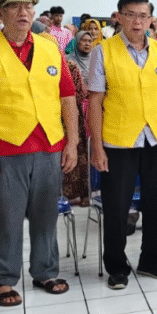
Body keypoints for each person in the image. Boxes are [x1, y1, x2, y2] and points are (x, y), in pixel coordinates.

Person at [0, 0, 77, 306]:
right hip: (6, 148)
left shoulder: (49, 48)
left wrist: (73, 142)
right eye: (14, 7)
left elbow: (67, 97)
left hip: (49, 146)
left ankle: (45, 271)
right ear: (0, 14)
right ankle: (2, 280)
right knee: (7, 218)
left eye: (28, 7)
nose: (23, 13)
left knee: (46, 216)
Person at [88, 0, 157, 289]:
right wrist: (97, 147)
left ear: (151, 19)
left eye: (143, 15)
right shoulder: (103, 51)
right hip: (119, 140)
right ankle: (117, 266)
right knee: (117, 207)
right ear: (119, 17)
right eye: (130, 15)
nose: (137, 22)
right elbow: (95, 101)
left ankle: (152, 260)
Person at [62, 31, 94, 205]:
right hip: (64, 114)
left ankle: (83, 193)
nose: (87, 44)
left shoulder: (95, 60)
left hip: (81, 112)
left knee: (80, 154)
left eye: (90, 41)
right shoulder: (68, 62)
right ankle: (63, 196)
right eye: (84, 40)